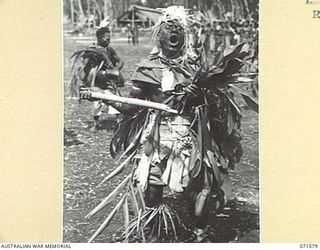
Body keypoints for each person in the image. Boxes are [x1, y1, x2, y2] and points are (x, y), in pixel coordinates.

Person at [80, 7, 250, 243]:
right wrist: (103, 95)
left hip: (192, 135)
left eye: (178, 29)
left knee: (201, 188)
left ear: (185, 36)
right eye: (168, 29)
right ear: (159, 35)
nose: (174, 33)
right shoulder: (148, 69)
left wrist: (198, 95)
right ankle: (150, 235)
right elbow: (132, 107)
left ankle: (201, 234)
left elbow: (213, 104)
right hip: (158, 136)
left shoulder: (196, 68)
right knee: (152, 188)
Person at [70, 26, 124, 132]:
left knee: (114, 100)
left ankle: (119, 124)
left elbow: (120, 61)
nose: (109, 41)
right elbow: (86, 68)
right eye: (107, 38)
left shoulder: (109, 50)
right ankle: (96, 123)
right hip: (96, 82)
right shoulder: (91, 50)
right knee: (96, 103)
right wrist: (96, 72)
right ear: (99, 38)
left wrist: (115, 71)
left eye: (110, 38)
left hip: (109, 81)